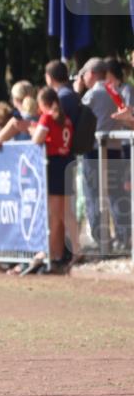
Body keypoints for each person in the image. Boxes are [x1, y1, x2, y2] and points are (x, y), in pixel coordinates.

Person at [75, 57, 129, 252]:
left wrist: (77, 90)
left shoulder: (92, 95)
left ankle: (102, 240)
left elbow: (77, 115)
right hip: (115, 150)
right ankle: (123, 238)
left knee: (93, 196)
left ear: (91, 73)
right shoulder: (114, 92)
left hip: (94, 152)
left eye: (84, 74)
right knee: (116, 195)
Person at [33, 87, 80, 272]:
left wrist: (32, 130)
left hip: (54, 165)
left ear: (43, 103)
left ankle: (52, 254)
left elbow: (37, 140)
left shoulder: (47, 117)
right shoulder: (65, 118)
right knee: (64, 213)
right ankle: (69, 251)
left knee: (55, 215)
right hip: (66, 164)